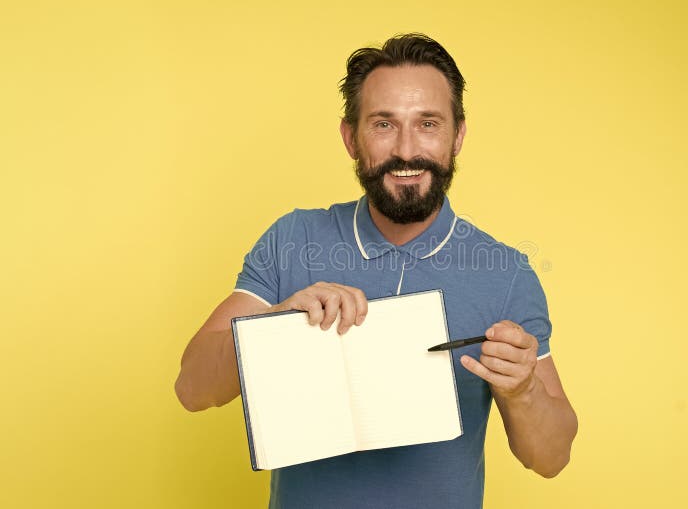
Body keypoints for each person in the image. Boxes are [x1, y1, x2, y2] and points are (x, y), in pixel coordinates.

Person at [175, 33, 578, 509]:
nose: (407, 150)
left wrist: (523, 390)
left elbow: (551, 458)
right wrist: (275, 326)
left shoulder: (507, 273)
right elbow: (192, 389)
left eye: (428, 123)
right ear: (350, 137)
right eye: (383, 124)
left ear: (459, 135)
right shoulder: (293, 239)